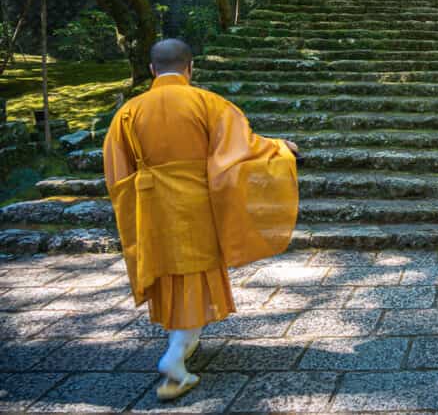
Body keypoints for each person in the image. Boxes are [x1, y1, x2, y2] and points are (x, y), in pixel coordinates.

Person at [103, 38, 299, 400]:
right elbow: (242, 147)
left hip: (150, 204)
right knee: (194, 271)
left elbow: (117, 173)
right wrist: (279, 148)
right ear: (191, 68)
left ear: (152, 70)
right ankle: (175, 359)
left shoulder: (129, 111)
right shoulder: (206, 103)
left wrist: (135, 204)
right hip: (195, 203)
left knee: (171, 272)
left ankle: (183, 341)